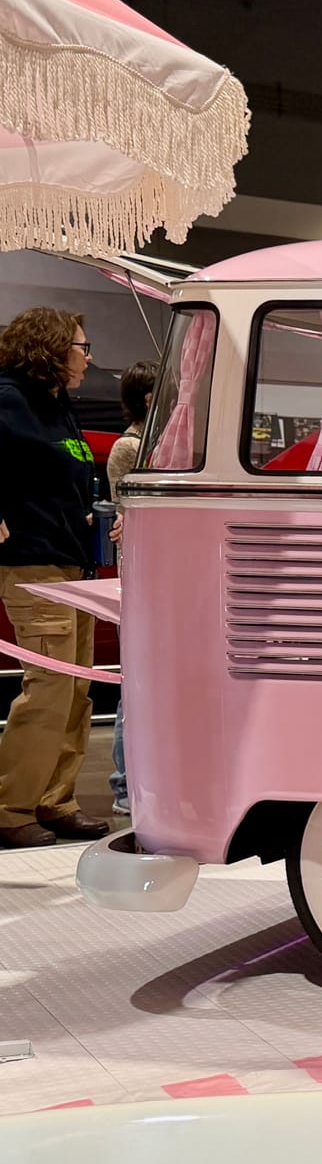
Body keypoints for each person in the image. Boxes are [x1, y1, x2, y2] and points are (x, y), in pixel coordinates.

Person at [0, 308, 110, 848]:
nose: (88, 357)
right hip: (33, 563)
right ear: (51, 347)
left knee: (75, 689)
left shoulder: (56, 403)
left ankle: (55, 799)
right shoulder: (8, 399)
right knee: (48, 688)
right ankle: (10, 806)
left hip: (71, 562)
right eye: (81, 347)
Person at [105, 360, 156, 816]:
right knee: (134, 682)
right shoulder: (129, 448)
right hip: (142, 578)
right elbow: (129, 513)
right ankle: (125, 785)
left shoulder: (168, 446)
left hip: (165, 579)